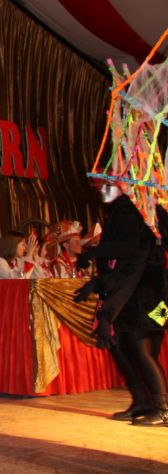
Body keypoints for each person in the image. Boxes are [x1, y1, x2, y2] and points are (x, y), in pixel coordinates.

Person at [74, 181, 168, 425]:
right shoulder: (123, 215)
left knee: (141, 348)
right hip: (140, 296)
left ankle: (163, 407)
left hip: (150, 298)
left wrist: (104, 298)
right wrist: (97, 280)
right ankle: (142, 401)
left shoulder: (133, 215)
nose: (102, 191)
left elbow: (131, 264)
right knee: (124, 346)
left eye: (108, 185)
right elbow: (121, 263)